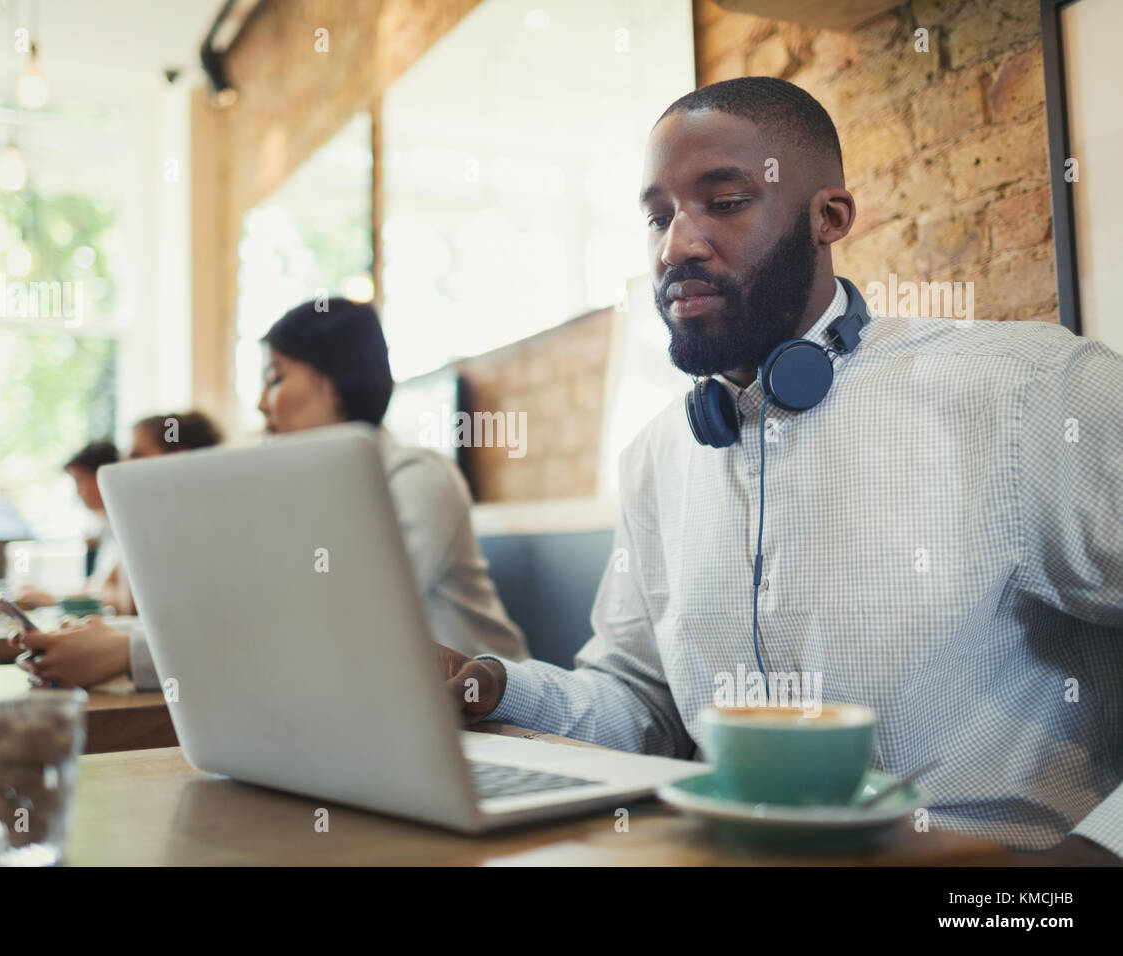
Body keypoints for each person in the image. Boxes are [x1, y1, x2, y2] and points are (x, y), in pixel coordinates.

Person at [436, 77, 1123, 864]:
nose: (676, 247)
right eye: (658, 217)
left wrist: (1092, 862)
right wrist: (485, 684)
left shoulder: (1031, 394)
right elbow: (638, 704)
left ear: (828, 218)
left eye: (724, 202)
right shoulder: (657, 454)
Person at [15, 298, 529, 688]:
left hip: (500, 726)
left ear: (334, 384)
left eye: (276, 378)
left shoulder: (418, 480)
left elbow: (323, 627)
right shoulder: (300, 496)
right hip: (375, 715)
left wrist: (127, 652)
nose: (262, 404)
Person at [15, 440, 122, 611]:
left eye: (79, 482)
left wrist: (54, 599)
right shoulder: (108, 528)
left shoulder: (126, 531)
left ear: (101, 477)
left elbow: (113, 596)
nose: (78, 493)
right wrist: (52, 596)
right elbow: (98, 586)